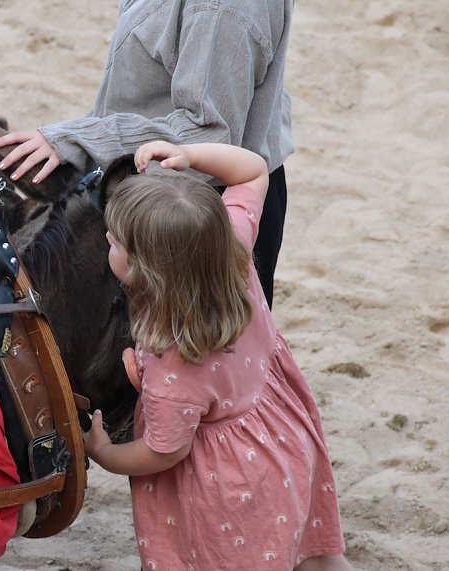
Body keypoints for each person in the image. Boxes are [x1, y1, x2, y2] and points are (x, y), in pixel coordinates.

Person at [83, 140, 352, 570]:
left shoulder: (172, 354)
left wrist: (105, 454)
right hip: (286, 439)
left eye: (115, 243)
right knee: (315, 557)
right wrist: (189, 155)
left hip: (231, 487)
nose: (107, 241)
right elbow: (252, 172)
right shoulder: (230, 247)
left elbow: (164, 450)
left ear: (142, 270)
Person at [0, 0, 294, 307]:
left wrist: (80, 140)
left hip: (189, 215)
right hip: (158, 193)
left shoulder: (220, 9)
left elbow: (209, 131)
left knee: (184, 349)